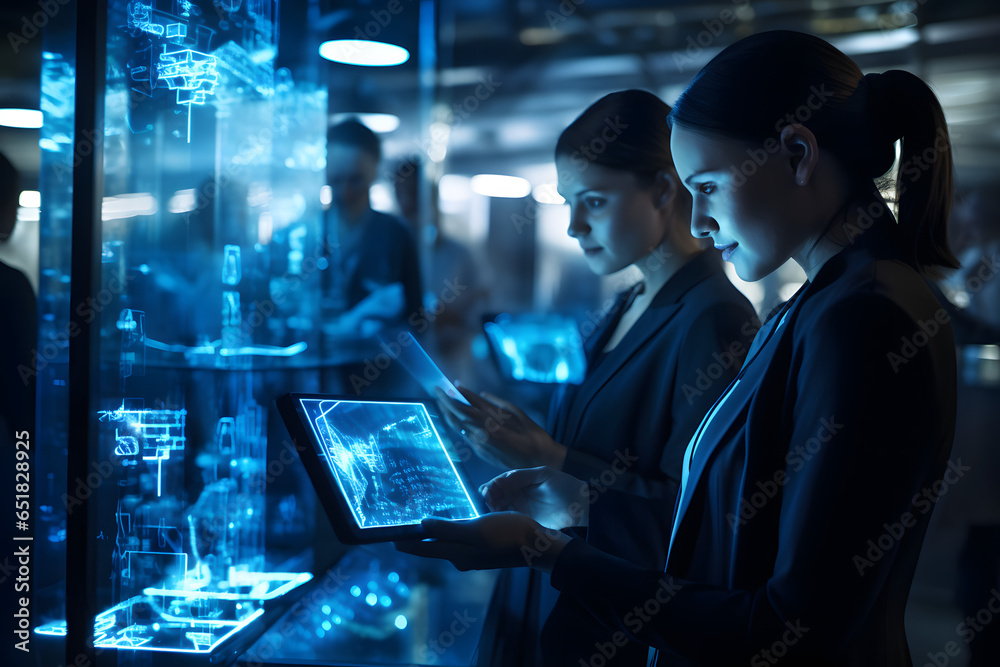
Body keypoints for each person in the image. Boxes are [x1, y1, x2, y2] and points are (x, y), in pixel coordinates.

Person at [398, 31, 960, 666]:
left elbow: (788, 623)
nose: (697, 223)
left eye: (710, 186)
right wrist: (579, 504)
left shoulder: (862, 314)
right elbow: (735, 532)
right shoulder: (823, 303)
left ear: (799, 155)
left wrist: (552, 553)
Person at [436, 90, 758, 665]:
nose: (575, 226)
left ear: (663, 189)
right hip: (558, 596)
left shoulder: (714, 315)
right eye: (568, 203)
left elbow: (696, 517)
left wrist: (550, 454)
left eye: (594, 201)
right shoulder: (630, 299)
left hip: (614, 618)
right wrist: (524, 439)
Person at [322, 119, 422, 336]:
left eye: (355, 180)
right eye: (336, 180)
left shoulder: (395, 235)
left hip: (376, 364)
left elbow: (416, 318)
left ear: (374, 172)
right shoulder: (307, 233)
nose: (345, 192)